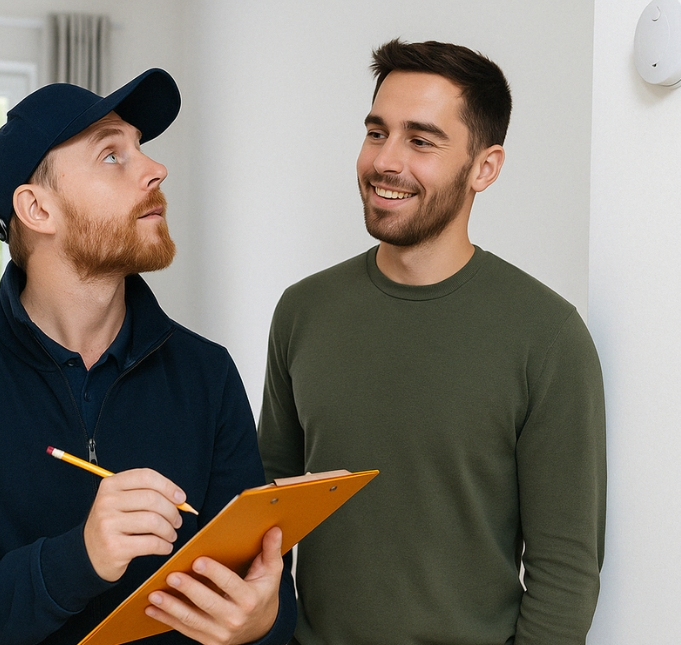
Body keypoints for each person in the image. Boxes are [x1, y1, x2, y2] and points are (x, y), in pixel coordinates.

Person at [0, 69, 296, 645]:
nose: (155, 169)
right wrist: (81, 558)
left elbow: (266, 592)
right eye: (111, 156)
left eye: (141, 149)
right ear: (37, 209)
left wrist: (262, 623)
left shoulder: (207, 373)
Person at [258, 40, 606, 644]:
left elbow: (566, 570)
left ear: (485, 167)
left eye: (421, 141)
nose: (386, 162)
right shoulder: (303, 311)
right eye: (377, 132)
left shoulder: (547, 336)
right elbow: (268, 517)